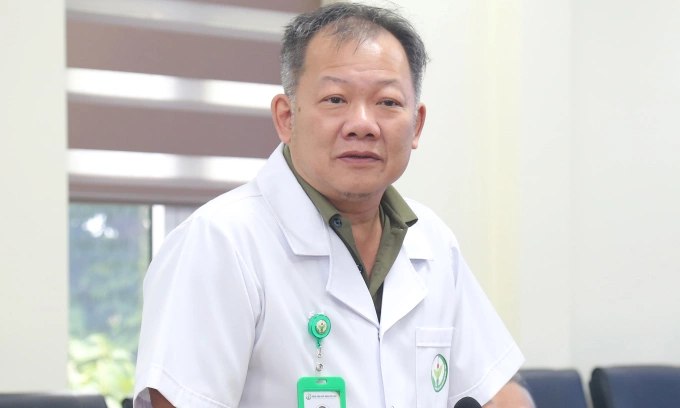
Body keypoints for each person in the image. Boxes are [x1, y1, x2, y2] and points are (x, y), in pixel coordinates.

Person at [133, 3, 524, 408]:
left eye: (388, 102)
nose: (362, 124)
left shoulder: (434, 240)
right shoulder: (219, 241)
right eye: (335, 99)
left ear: (416, 125)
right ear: (287, 118)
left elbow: (500, 392)